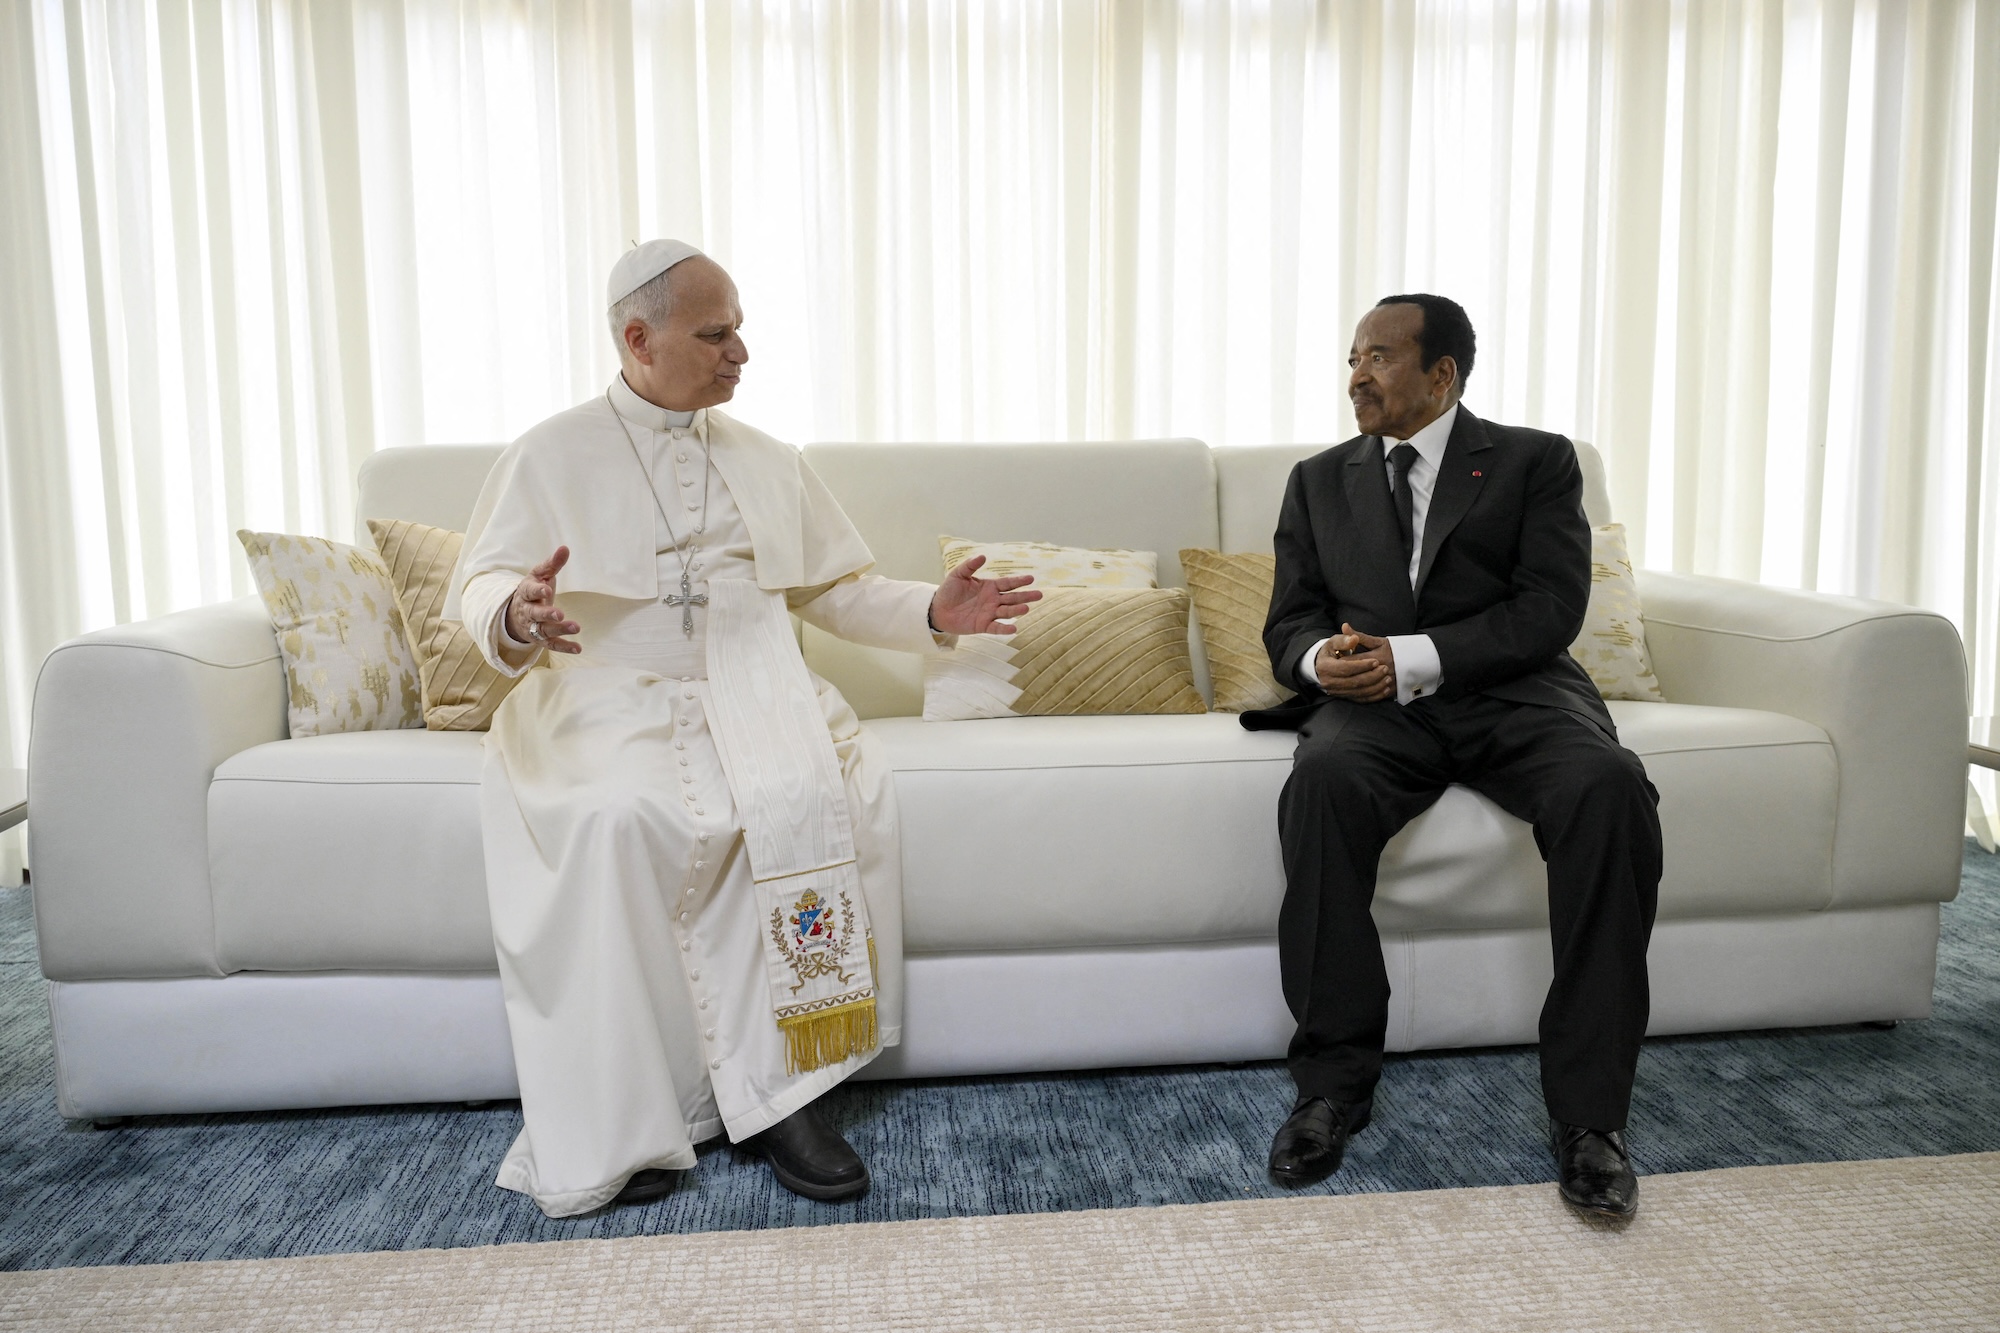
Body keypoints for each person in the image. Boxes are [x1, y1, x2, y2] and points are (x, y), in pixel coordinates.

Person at [444, 240, 1039, 1218]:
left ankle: (784, 1099)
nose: (740, 354)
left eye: (740, 330)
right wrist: (516, 615)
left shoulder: (767, 460)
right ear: (637, 339)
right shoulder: (549, 453)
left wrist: (934, 612)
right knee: (616, 821)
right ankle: (628, 1115)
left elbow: (837, 590)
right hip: (609, 694)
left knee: (803, 797)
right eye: (715, 334)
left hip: (758, 685)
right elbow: (483, 584)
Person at [1247, 294, 1662, 1218]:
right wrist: (1326, 660)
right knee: (1319, 785)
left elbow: (1550, 608)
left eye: (1381, 356)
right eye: (1352, 356)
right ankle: (1330, 1089)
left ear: (1443, 373)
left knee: (1609, 786)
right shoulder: (1318, 481)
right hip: (1376, 710)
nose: (1358, 372)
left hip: (1514, 693)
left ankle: (1593, 1118)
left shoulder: (1534, 461)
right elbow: (1289, 620)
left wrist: (1420, 655)